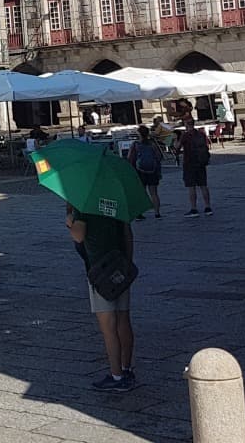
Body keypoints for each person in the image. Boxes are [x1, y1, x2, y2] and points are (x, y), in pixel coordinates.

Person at [67, 204, 136, 392]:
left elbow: (78, 236)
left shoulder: (85, 206)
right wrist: (128, 264)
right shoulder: (117, 201)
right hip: (120, 265)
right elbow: (128, 234)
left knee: (108, 327)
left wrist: (70, 221)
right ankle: (127, 368)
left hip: (100, 271)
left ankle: (116, 376)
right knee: (123, 319)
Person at [178, 118, 214, 217]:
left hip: (189, 163)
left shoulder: (185, 135)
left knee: (191, 187)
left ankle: (194, 209)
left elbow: (177, 148)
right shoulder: (201, 134)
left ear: (186, 124)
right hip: (201, 163)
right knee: (203, 185)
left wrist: (176, 140)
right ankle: (208, 207)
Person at [127, 126, 163, 219]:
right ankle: (157, 213)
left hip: (140, 171)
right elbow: (159, 156)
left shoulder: (135, 144)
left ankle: (139, 214)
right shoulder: (152, 144)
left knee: (140, 193)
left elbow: (130, 158)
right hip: (152, 171)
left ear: (139, 134)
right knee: (154, 193)